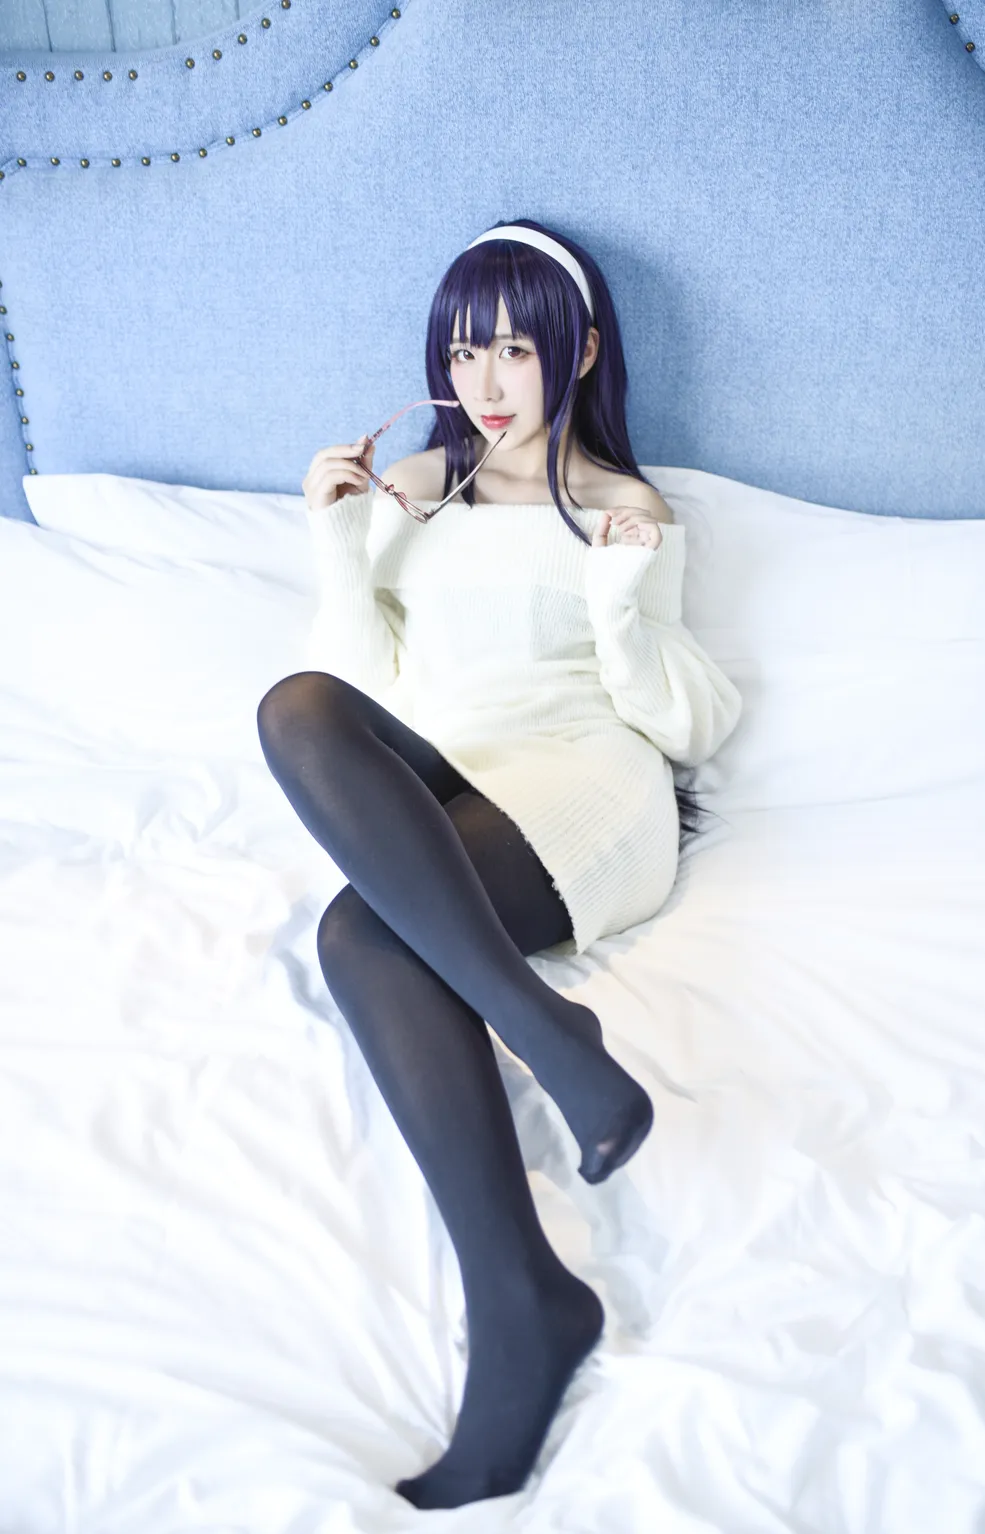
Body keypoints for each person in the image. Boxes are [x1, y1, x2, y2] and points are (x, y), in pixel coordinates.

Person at [256, 218, 743, 1511]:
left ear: (576, 355)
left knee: (357, 936)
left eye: (516, 350)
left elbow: (684, 723)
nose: (485, 381)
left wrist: (621, 598)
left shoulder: (624, 508)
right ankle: (546, 1028)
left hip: (586, 785)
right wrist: (338, 538)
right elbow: (361, 687)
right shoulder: (418, 488)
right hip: (448, 781)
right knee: (295, 706)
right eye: (464, 352)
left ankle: (519, 1303)